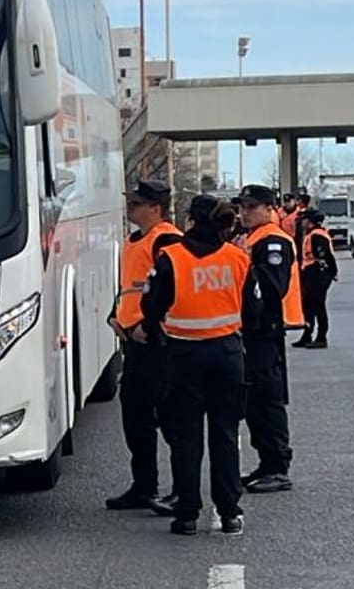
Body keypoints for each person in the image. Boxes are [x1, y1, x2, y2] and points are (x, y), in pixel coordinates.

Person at [137, 196, 262, 536]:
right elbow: (254, 315)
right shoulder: (238, 259)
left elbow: (151, 306)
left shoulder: (171, 258)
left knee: (185, 437)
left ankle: (187, 513)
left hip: (183, 357)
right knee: (225, 434)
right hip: (227, 356)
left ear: (190, 220)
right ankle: (229, 512)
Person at [105, 178, 183, 513]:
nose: (130, 208)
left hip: (157, 342)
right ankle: (144, 485)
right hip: (134, 341)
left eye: (137, 204)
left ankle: (182, 489)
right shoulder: (134, 240)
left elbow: (172, 291)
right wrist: (116, 316)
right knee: (135, 416)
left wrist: (147, 327)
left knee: (170, 419)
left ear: (156, 208)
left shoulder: (167, 239)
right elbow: (130, 288)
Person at [237, 185, 306, 494]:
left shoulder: (274, 241)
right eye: (242, 207)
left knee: (266, 399)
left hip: (264, 331)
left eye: (251, 207)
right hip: (249, 331)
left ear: (269, 208)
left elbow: (271, 286)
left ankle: (277, 466)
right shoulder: (250, 239)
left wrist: (244, 260)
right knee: (254, 400)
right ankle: (267, 463)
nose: (245, 212)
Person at [295, 209, 338, 349]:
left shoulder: (318, 236)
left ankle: (321, 337)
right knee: (308, 305)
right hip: (310, 272)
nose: (302, 222)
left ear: (311, 221)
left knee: (317, 305)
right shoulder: (310, 234)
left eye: (305, 220)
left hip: (318, 273)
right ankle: (307, 334)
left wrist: (333, 272)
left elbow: (325, 256)